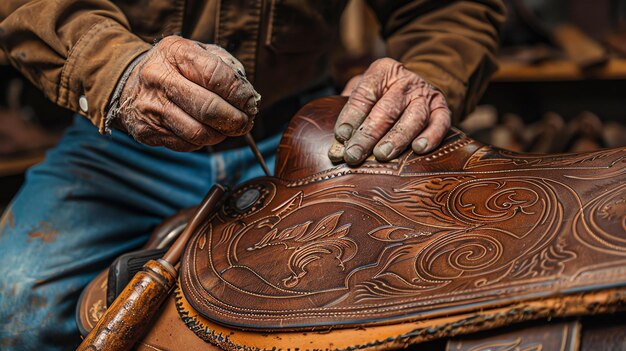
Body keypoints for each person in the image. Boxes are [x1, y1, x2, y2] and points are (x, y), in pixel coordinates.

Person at [0, 1, 505, 349]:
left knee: (393, 299)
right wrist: (113, 67)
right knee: (15, 301)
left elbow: (448, 10)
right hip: (122, 137)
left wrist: (428, 74)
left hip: (310, 138)